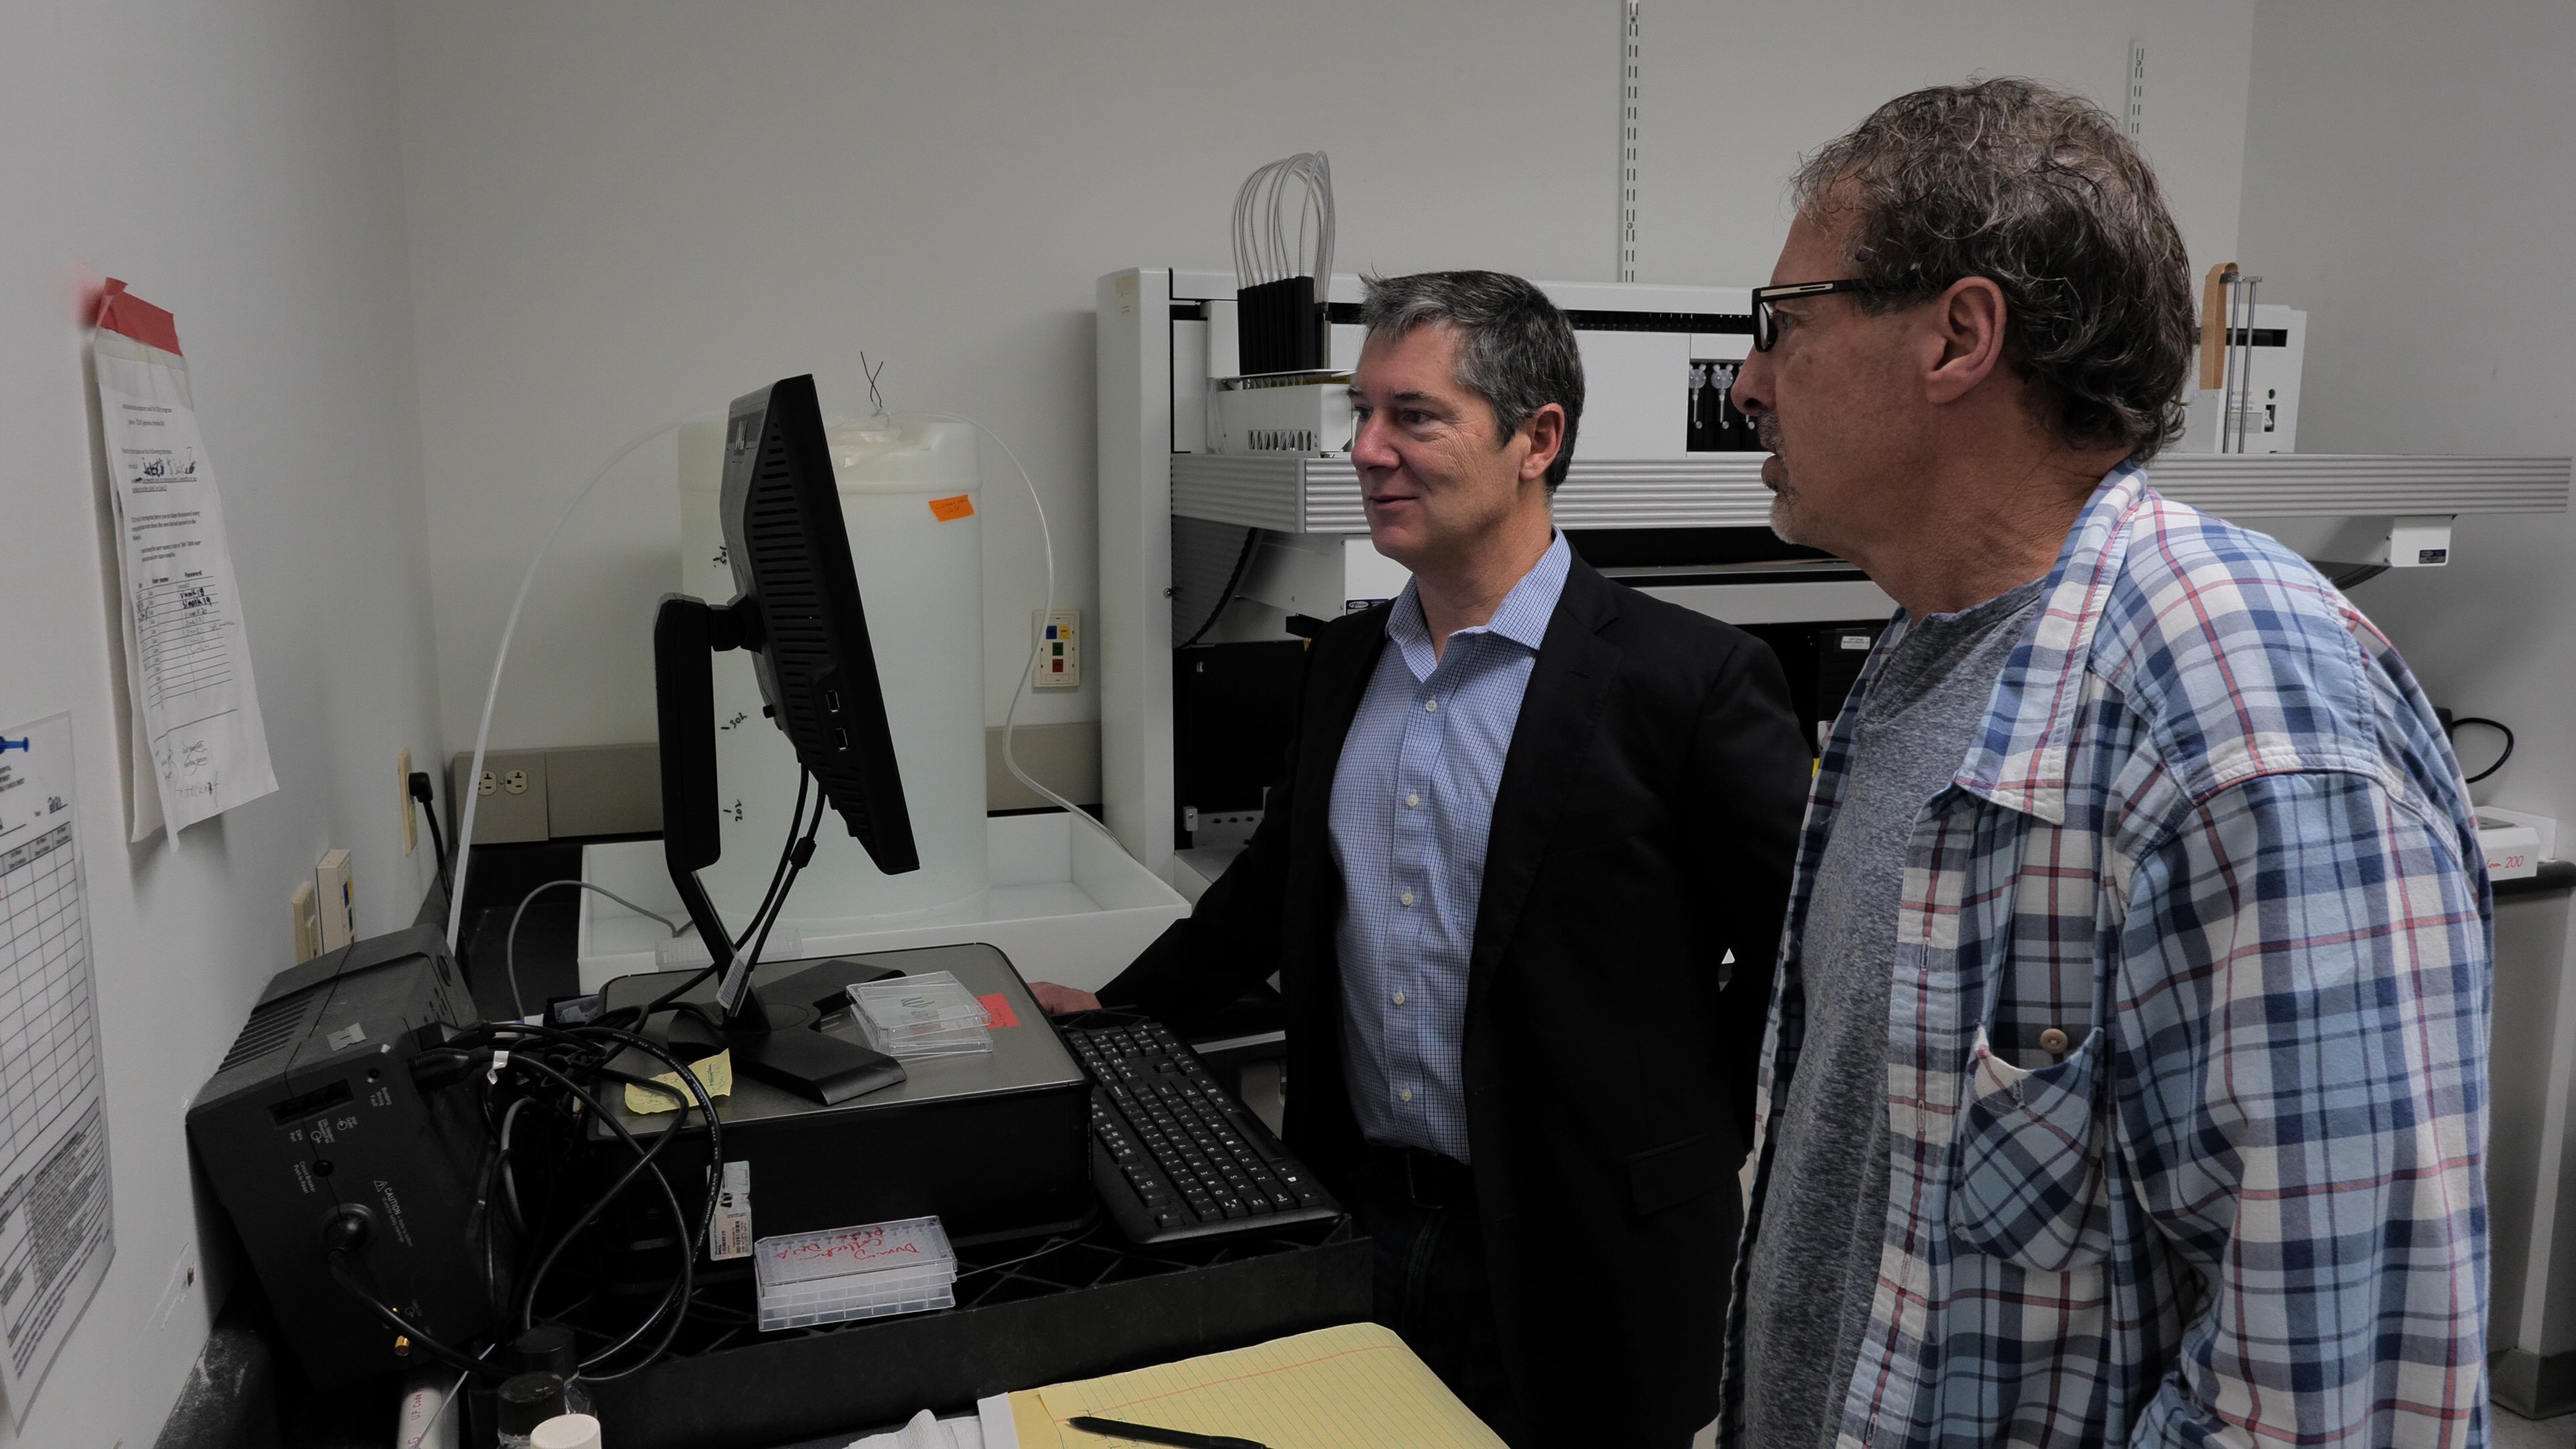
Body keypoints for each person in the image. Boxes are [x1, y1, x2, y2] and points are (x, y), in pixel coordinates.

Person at [1718, 78, 2491, 1447]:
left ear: (1959, 334)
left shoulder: (2245, 716)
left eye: (1785, 325)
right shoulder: (1925, 655)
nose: (1749, 381)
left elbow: (2334, 1401)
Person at [1032, 270, 1811, 1446]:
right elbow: (1268, 894)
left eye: (1415, 416)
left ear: (1536, 440)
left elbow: (1792, 954)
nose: (1368, 449)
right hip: (1360, 1217)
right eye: (1363, 413)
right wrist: (1114, 1015)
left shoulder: (1687, 680)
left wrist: (1698, 1141)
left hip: (1587, 1251)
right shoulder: (1347, 661)